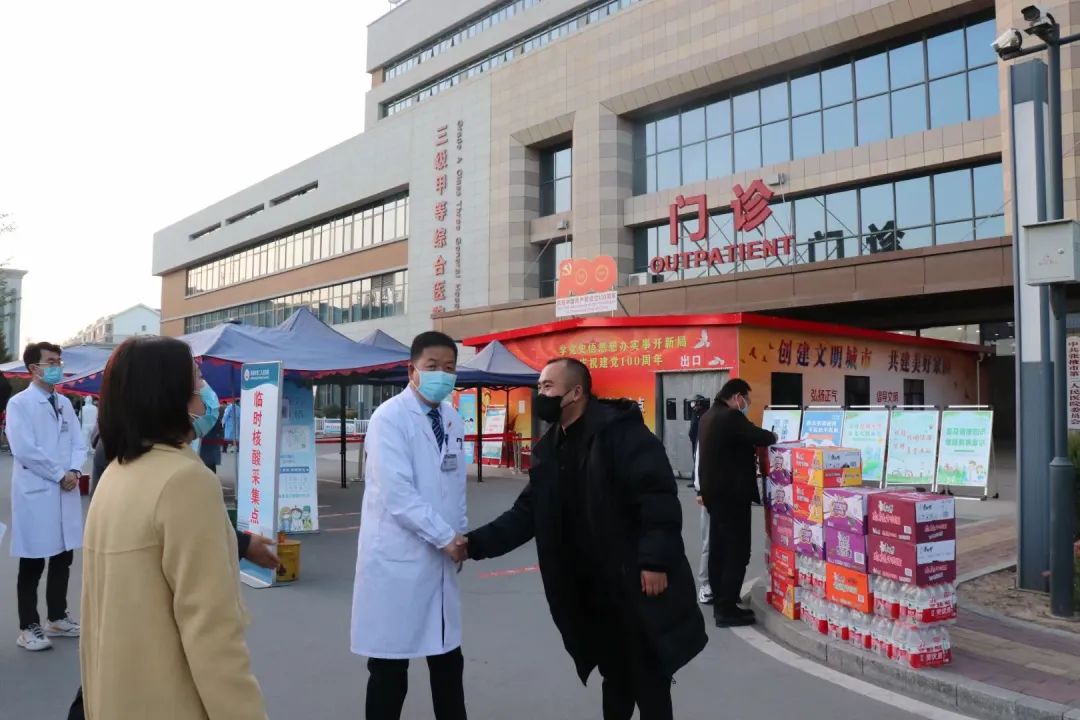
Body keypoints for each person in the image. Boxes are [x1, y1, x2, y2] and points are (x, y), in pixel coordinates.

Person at [466, 358, 707, 720]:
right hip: (592, 588)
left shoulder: (621, 434)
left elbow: (656, 499)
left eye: (548, 386)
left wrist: (654, 562)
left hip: (633, 580)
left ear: (576, 392)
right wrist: (472, 545)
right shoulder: (551, 448)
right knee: (615, 675)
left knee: (650, 676)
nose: (541, 394)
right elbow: (525, 515)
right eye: (540, 386)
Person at [78, 336, 267, 720]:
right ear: (167, 393)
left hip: (118, 696)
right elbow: (212, 631)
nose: (205, 393)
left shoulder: (117, 473)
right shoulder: (186, 481)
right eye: (196, 380)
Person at [350, 331, 469, 720]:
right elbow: (397, 494)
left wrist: (460, 535)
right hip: (397, 561)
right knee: (389, 668)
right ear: (412, 370)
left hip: (441, 557)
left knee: (448, 661)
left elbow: (455, 486)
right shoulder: (389, 418)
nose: (442, 375)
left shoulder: (451, 419)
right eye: (432, 366)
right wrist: (445, 536)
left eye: (449, 368)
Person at [6, 342, 86, 652]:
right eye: (51, 362)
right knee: (33, 559)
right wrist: (59, 474)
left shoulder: (64, 403)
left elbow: (79, 442)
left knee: (63, 556)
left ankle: (57, 617)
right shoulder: (19, 404)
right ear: (33, 368)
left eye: (58, 361)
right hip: (38, 490)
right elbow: (25, 449)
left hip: (65, 487)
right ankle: (28, 627)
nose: (57, 367)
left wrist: (74, 471)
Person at [696, 378, 777, 628]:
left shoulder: (708, 416)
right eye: (746, 399)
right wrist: (775, 434)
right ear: (737, 397)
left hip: (714, 497)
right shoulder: (730, 417)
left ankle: (722, 601)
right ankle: (727, 609)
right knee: (737, 552)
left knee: (719, 551)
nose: (747, 404)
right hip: (731, 497)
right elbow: (761, 436)